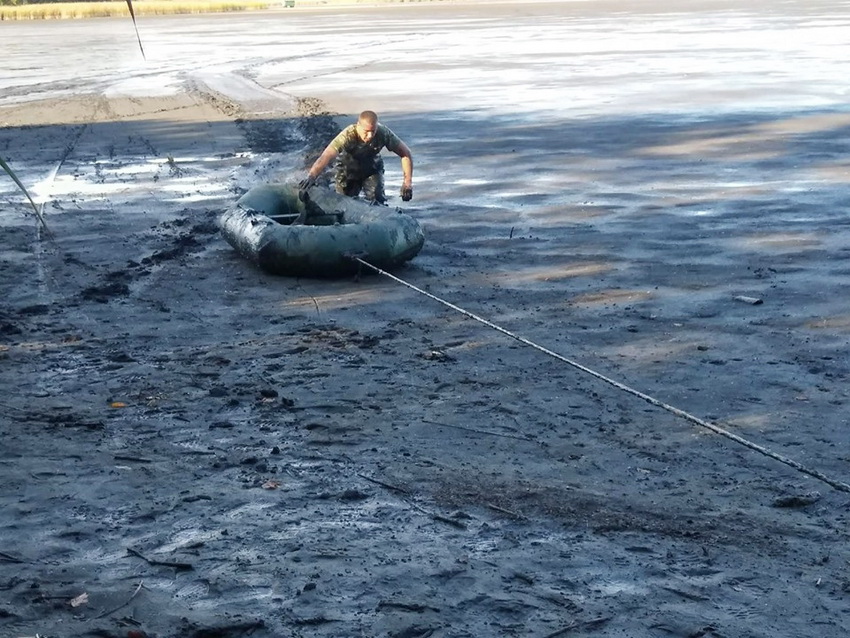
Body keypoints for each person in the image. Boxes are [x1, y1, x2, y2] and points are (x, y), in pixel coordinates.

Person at [299, 110, 413, 204]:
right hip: (348, 170)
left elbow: (405, 153)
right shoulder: (348, 134)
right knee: (345, 203)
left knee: (377, 199)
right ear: (358, 126)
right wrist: (312, 176)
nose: (369, 136)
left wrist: (407, 183)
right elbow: (327, 155)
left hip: (371, 169)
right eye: (366, 131)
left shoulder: (383, 133)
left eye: (373, 132)